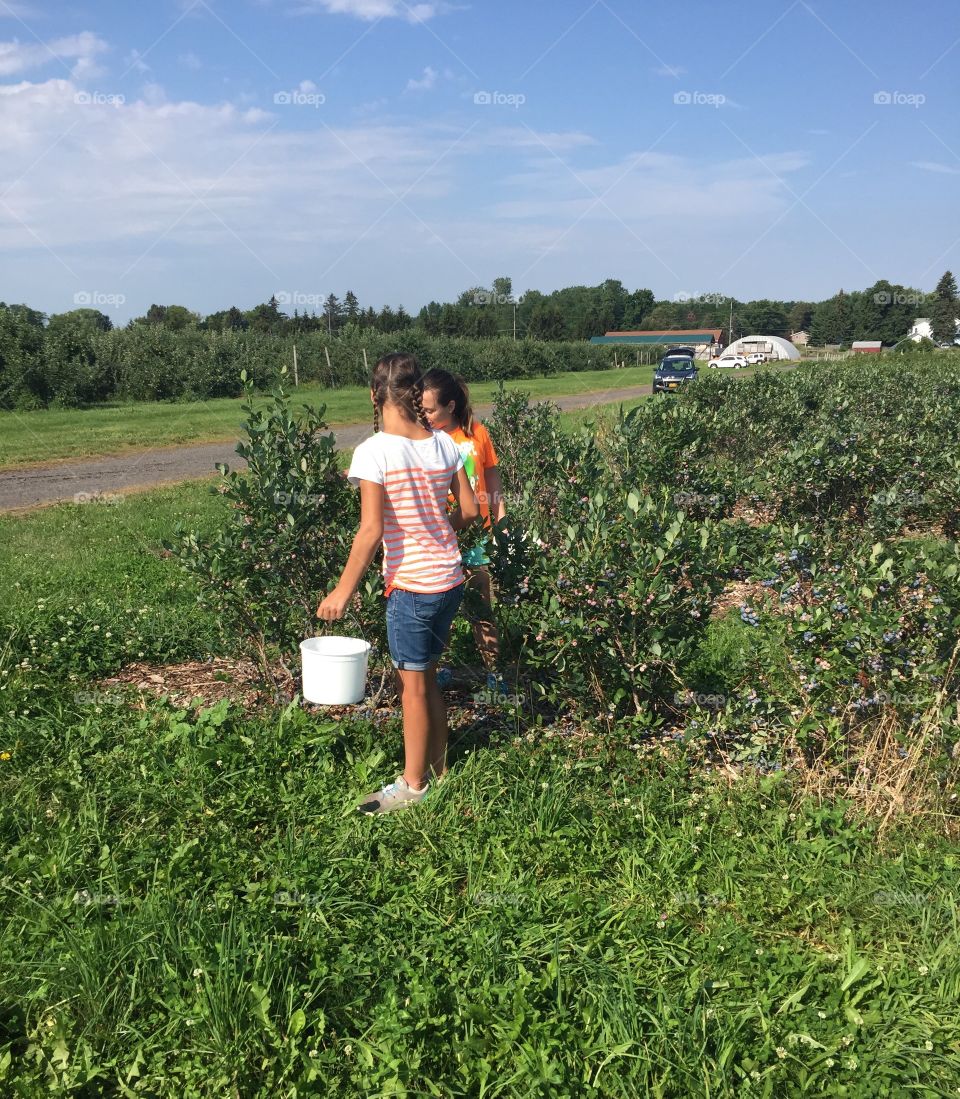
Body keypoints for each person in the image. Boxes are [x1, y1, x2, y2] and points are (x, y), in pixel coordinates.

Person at [317, 353, 479, 814]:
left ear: (373, 396)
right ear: (414, 394)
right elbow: (468, 512)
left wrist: (341, 592)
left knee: (412, 687)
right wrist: (435, 526)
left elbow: (370, 531)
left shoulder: (373, 452)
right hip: (449, 581)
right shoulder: (445, 443)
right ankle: (440, 767)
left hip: (412, 589)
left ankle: (412, 786)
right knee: (426, 679)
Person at [420, 368, 506, 687]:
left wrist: (501, 521)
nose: (424, 416)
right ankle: (435, 669)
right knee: (439, 608)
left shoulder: (477, 434)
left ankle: (493, 672)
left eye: (430, 410)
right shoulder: (424, 440)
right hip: (439, 537)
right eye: (421, 410)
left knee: (480, 605)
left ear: (450, 406)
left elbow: (492, 479)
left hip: (476, 536)